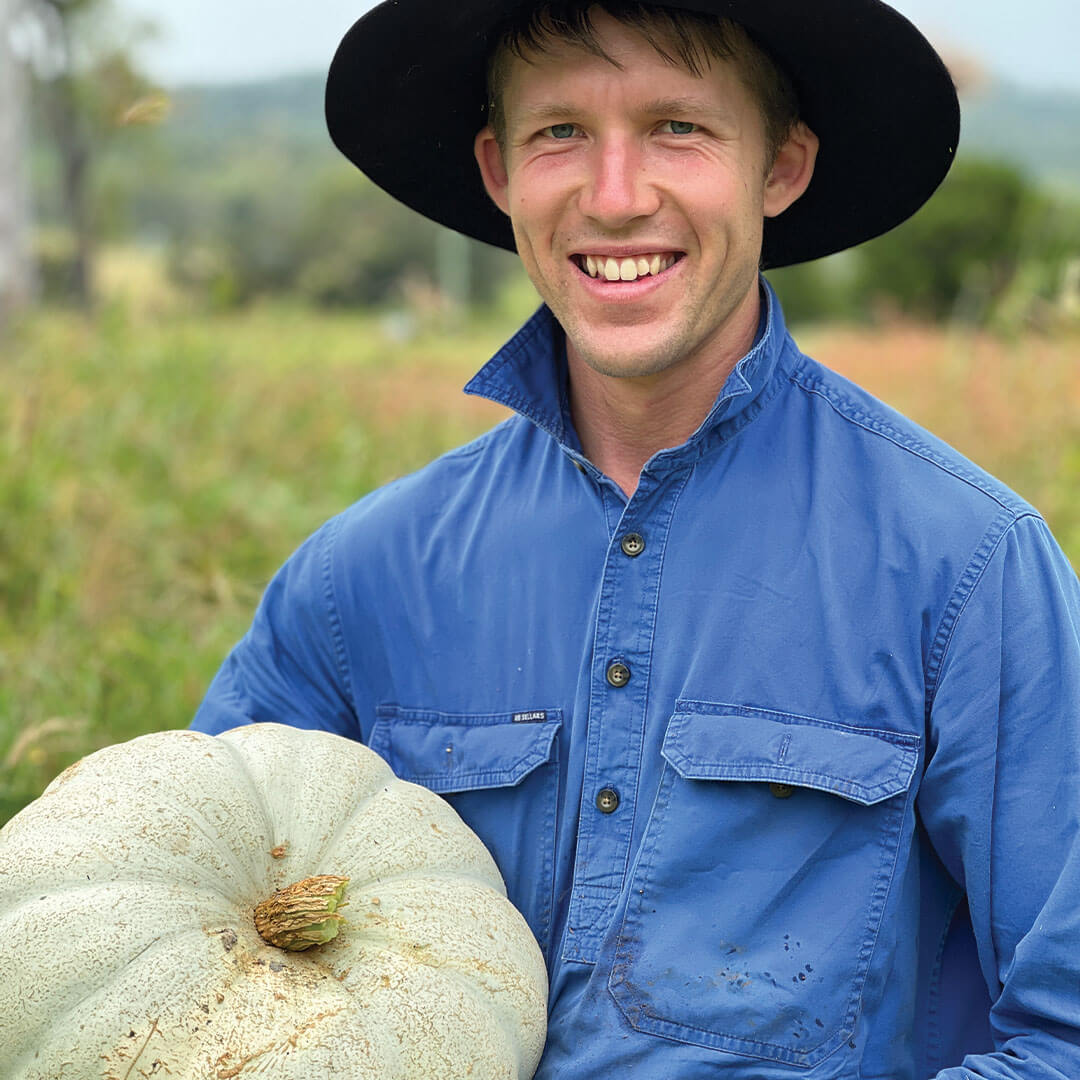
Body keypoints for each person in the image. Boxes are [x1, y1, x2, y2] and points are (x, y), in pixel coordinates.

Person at [192, 1, 1080, 1076]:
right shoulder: (357, 581)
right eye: (560, 132)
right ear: (498, 172)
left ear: (781, 168)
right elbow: (185, 945)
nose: (615, 198)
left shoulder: (970, 564)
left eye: (679, 128)